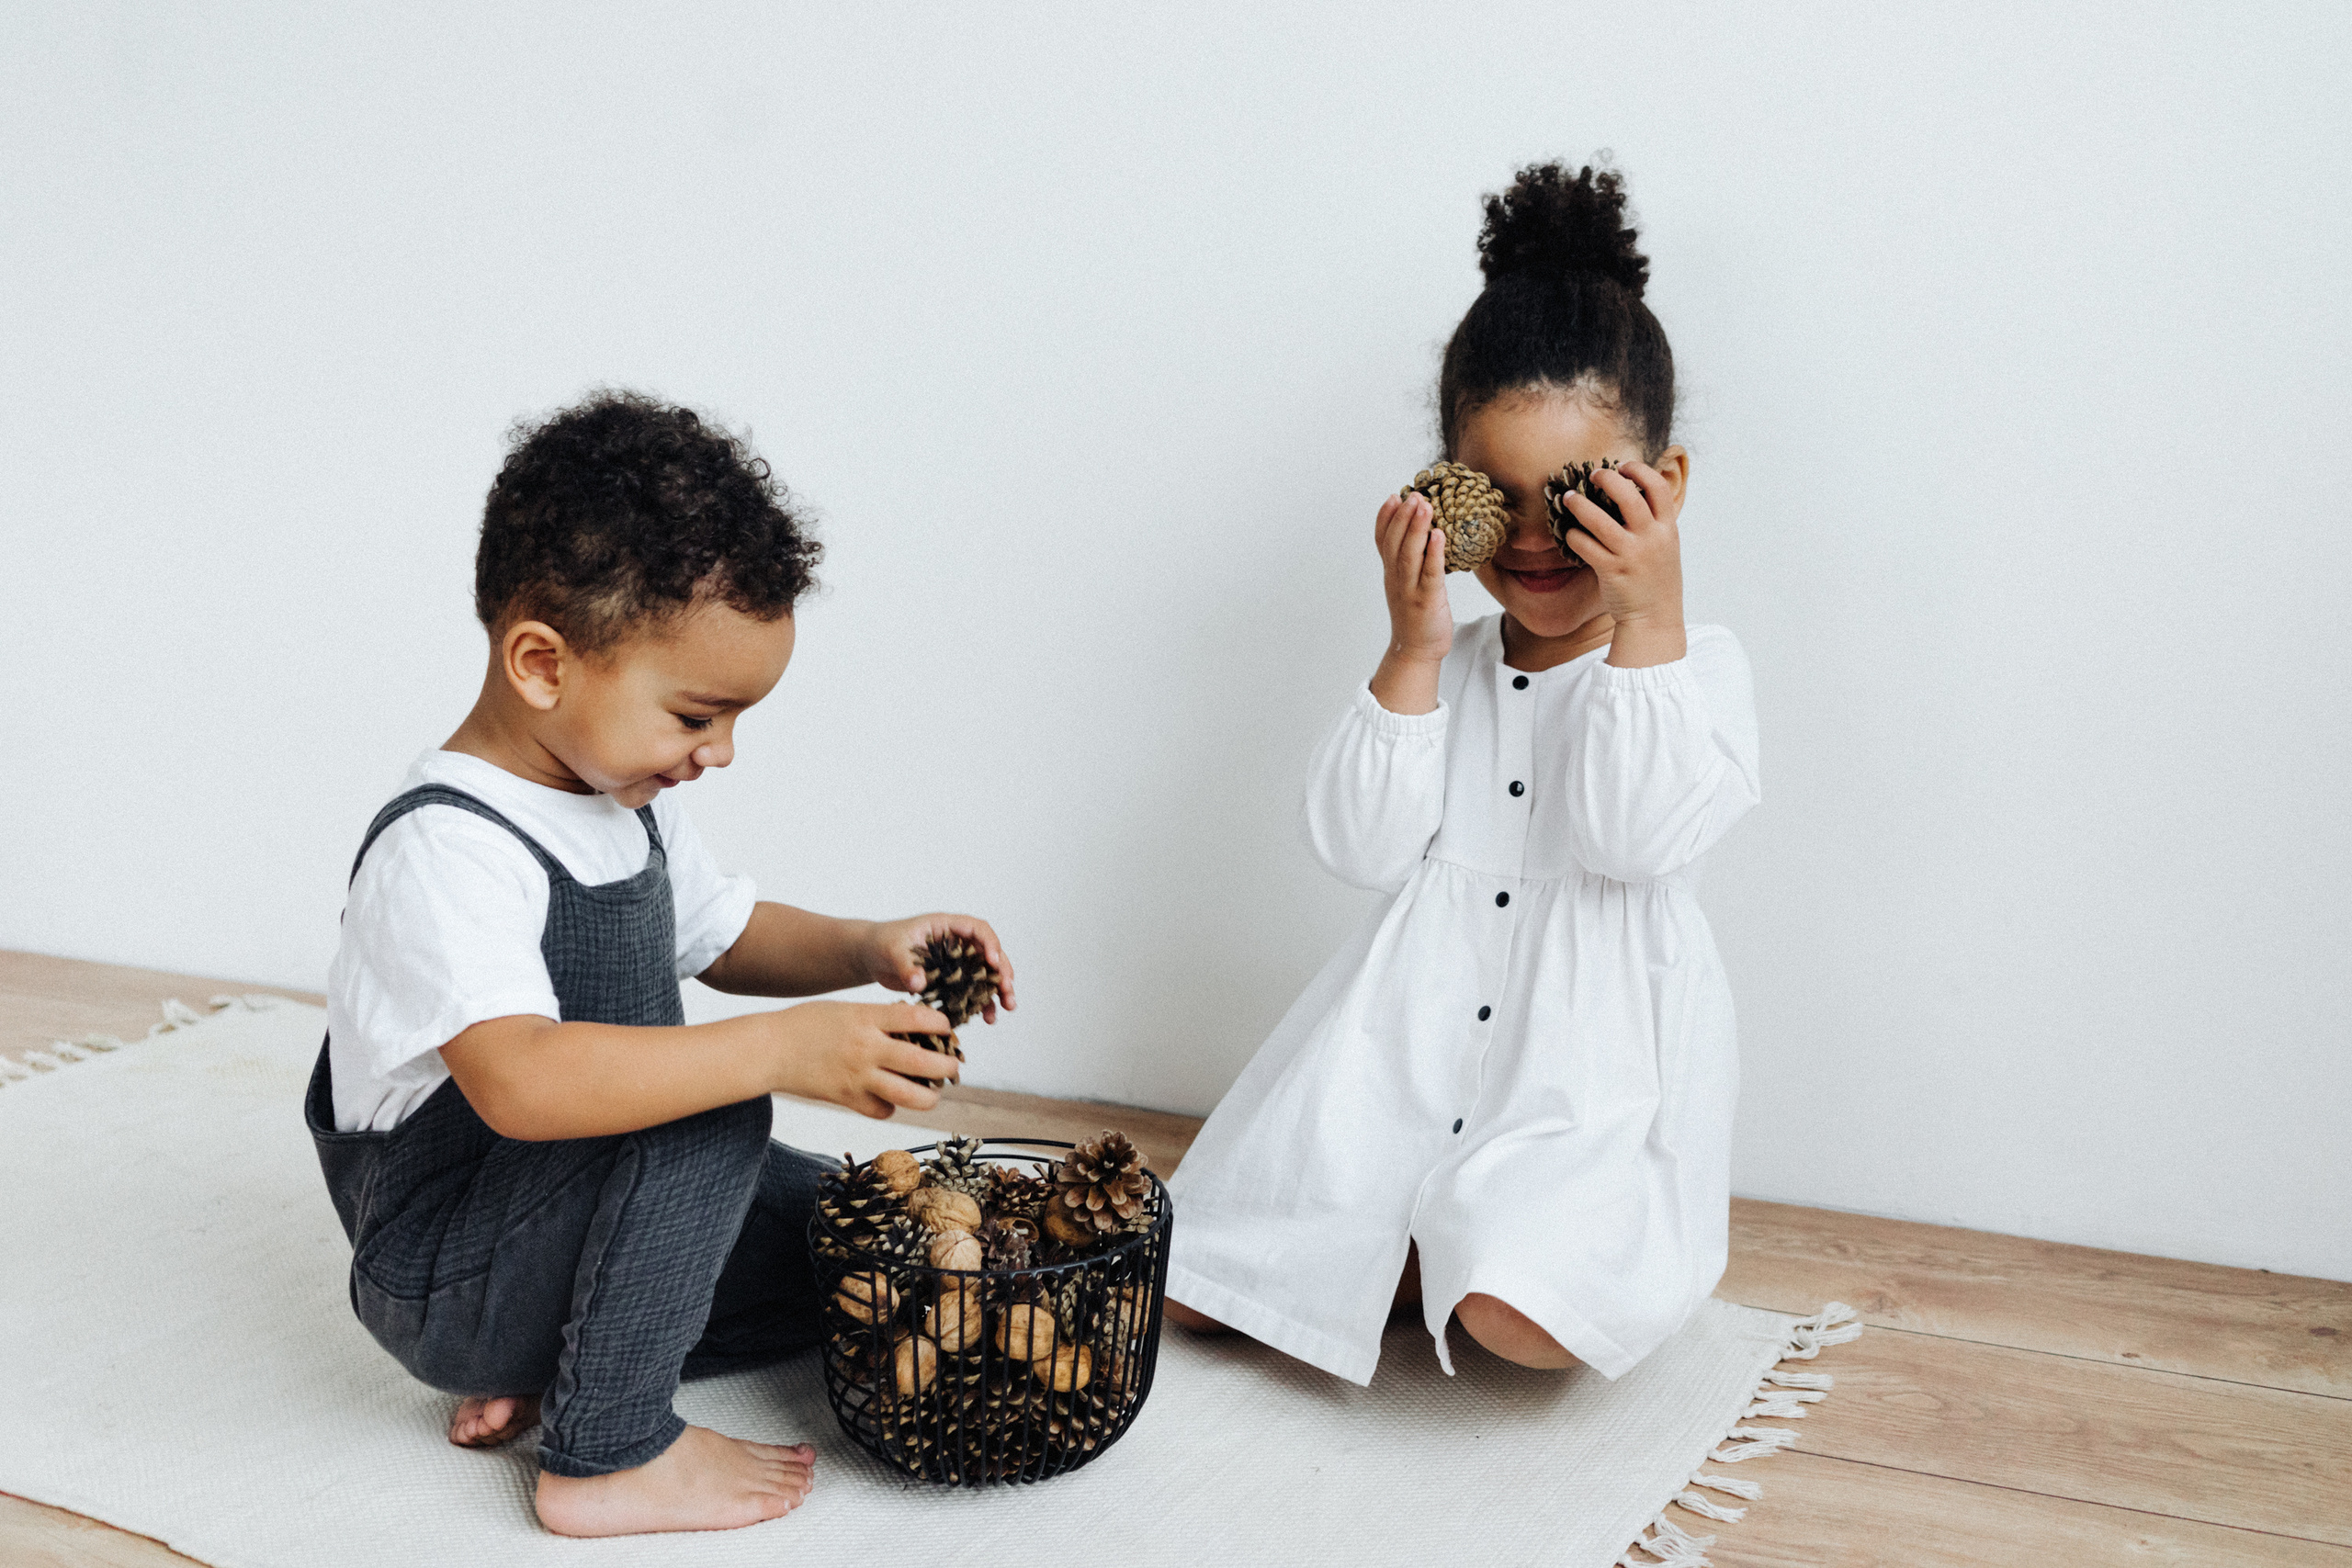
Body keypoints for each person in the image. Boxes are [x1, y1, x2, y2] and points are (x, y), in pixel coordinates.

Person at [305, 390, 1016, 1536]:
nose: (720, 752)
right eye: (697, 715)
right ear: (541, 661)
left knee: (839, 1233)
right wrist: (778, 1054)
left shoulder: (618, 793)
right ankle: (604, 1454)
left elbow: (724, 936)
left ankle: (570, 1361)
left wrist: (864, 949)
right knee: (714, 1110)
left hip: (562, 1213)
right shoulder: (446, 845)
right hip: (444, 1267)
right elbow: (525, 1082)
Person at [1164, 161, 1758, 1386]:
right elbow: (1357, 846)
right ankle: (1396, 1241)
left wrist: (1652, 615)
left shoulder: (1700, 670)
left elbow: (1636, 836)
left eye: (1582, 497)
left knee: (1521, 1319)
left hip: (1584, 1073)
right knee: (1197, 1282)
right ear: (1449, 487)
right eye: (1503, 499)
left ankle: (1457, 1259)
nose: (1537, 540)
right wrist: (1413, 648)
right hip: (1406, 1044)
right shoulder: (1452, 664)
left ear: (1669, 485)